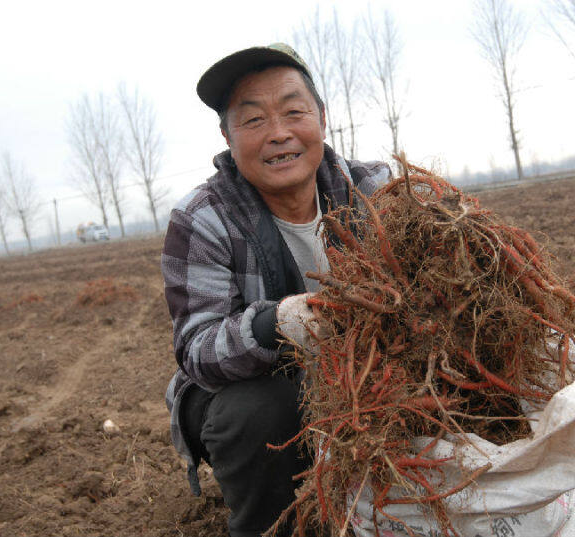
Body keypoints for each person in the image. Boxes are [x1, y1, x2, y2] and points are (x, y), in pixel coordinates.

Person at [161, 43, 391, 537]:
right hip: (259, 390)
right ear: (227, 137)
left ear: (322, 118)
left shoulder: (376, 189)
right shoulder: (202, 219)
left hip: (366, 372)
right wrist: (279, 325)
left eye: (293, 112)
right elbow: (197, 349)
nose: (278, 133)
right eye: (253, 120)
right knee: (262, 409)